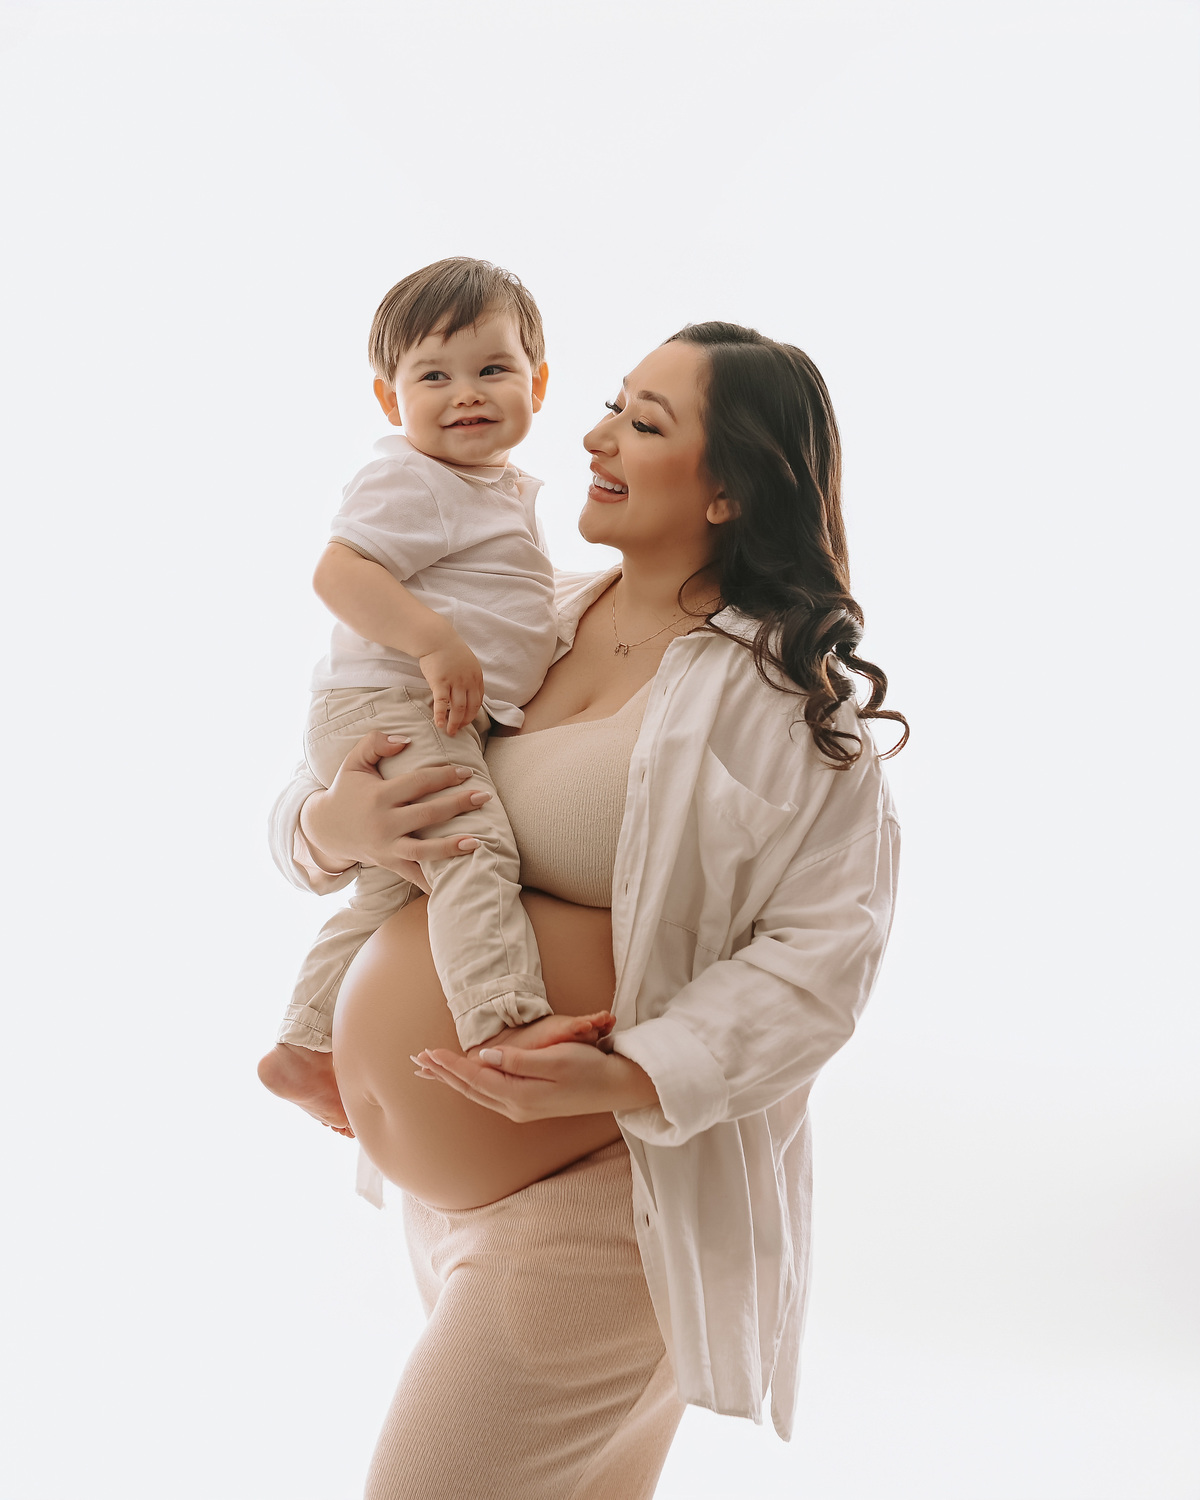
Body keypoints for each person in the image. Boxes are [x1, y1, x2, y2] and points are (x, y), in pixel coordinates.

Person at [268, 321, 906, 1498]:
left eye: (643, 424)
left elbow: (822, 963)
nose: (593, 437)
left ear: (728, 490)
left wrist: (628, 1074)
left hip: (609, 1202)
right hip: (454, 1210)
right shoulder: (529, 617)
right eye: (612, 404)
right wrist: (330, 825)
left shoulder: (781, 703)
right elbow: (337, 773)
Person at [260, 258, 617, 1139]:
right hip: (391, 702)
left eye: (493, 369)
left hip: (408, 708)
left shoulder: (495, 494)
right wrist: (433, 641)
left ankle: (305, 1042)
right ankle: (503, 1020)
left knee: (395, 891)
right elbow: (338, 572)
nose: (467, 393)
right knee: (471, 850)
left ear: (537, 384)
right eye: (433, 376)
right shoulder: (416, 479)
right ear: (390, 400)